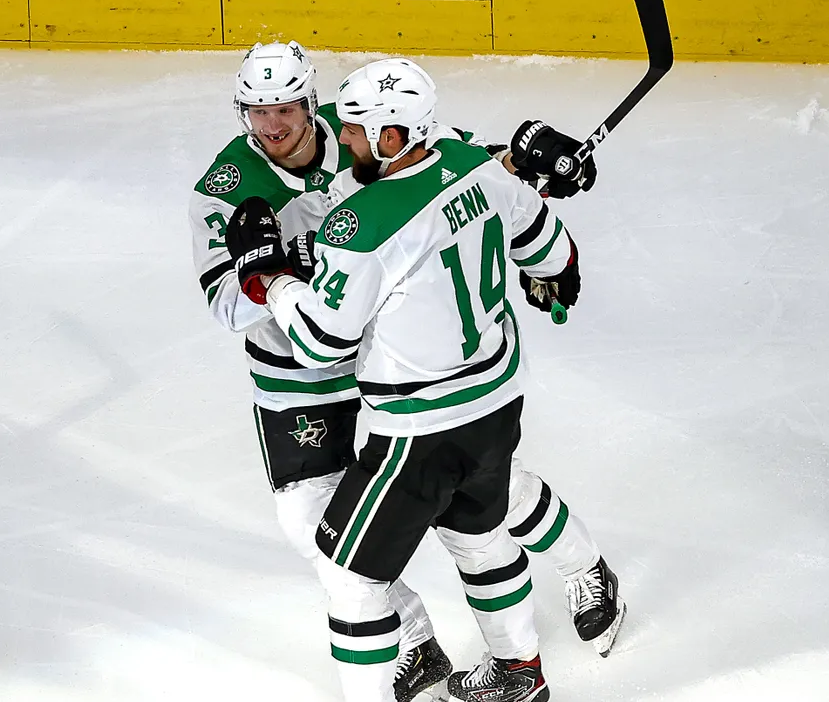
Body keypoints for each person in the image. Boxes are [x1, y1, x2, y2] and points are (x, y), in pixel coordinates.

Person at [224, 56, 613, 702]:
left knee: (348, 575)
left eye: (353, 130)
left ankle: (539, 619)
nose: (340, 139)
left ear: (393, 138)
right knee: (478, 537)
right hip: (494, 400)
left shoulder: (364, 225)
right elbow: (549, 250)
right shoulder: (474, 167)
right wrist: (553, 273)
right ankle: (520, 674)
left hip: (418, 429)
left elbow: (322, 342)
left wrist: (271, 278)